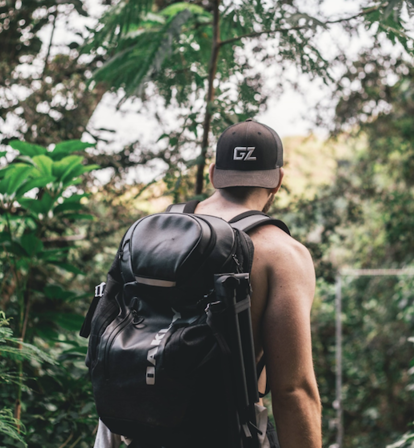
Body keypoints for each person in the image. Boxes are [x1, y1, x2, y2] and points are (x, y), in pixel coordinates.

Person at [94, 119, 321, 448]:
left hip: (143, 432)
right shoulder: (283, 255)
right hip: (227, 434)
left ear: (214, 173)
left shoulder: (150, 236)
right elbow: (293, 390)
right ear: (278, 180)